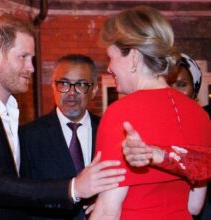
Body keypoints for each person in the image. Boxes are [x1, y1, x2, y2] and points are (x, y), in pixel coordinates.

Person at [0, 15, 126, 220]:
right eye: (23, 57)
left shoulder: (6, 111)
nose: (31, 68)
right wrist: (74, 188)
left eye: (32, 58)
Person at [89, 6, 210, 220]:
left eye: (112, 57)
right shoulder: (199, 114)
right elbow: (194, 205)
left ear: (134, 57)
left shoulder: (121, 113)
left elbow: (108, 211)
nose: (109, 67)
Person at [122, 53, 211, 219]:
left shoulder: (202, 122)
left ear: (195, 88)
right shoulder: (141, 124)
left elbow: (195, 205)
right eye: (169, 84)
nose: (173, 90)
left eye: (182, 84)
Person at [20, 54, 100, 220]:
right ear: (53, 87)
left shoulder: (109, 131)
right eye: (63, 83)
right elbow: (23, 197)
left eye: (81, 85)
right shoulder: (28, 136)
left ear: (94, 90)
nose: (71, 93)